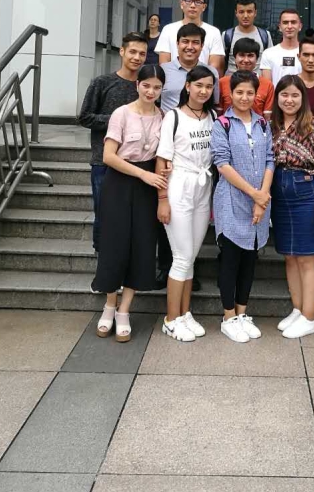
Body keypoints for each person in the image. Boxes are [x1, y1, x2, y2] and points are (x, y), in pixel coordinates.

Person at [92, 65, 167, 342]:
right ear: (137, 85)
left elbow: (163, 155)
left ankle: (125, 310)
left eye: (157, 87)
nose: (151, 91)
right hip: (120, 181)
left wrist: (158, 174)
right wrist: (143, 174)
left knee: (142, 245)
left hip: (149, 186)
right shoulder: (121, 113)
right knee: (115, 243)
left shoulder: (164, 117)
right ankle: (109, 305)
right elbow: (109, 156)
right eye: (146, 85)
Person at [270, 75, 314, 339]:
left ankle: (310, 317)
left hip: (307, 190)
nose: (289, 100)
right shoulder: (272, 125)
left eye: (295, 95)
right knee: (289, 255)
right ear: (277, 97)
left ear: (303, 98)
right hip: (279, 190)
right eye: (284, 95)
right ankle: (298, 309)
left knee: (308, 257)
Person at [211, 71, 275, 343]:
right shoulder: (222, 124)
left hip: (260, 201)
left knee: (250, 259)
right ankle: (228, 317)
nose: (245, 97)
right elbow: (222, 163)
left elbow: (270, 159)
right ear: (230, 94)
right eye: (239, 92)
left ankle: (242, 313)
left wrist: (263, 196)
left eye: (250, 92)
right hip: (231, 200)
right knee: (231, 259)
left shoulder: (263, 124)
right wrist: (254, 195)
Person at [156, 65, 217, 342]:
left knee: (190, 256)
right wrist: (162, 200)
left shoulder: (213, 116)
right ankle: (171, 319)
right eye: (199, 85)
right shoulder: (173, 117)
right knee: (180, 257)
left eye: (209, 86)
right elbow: (162, 160)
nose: (204, 91)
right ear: (187, 86)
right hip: (179, 186)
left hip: (203, 189)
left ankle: (184, 313)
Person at [78, 32, 147, 251]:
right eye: (133, 52)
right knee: (104, 214)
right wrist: (118, 120)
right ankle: (102, 258)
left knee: (130, 218)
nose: (137, 57)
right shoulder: (102, 83)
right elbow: (85, 117)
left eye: (142, 54)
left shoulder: (145, 86)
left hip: (136, 163)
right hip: (104, 161)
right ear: (122, 51)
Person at [155, 0, 225, 75]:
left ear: (204, 7)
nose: (192, 5)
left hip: (202, 80)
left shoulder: (214, 32)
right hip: (173, 80)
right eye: (188, 1)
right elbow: (164, 64)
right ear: (181, 4)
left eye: (198, 2)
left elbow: (214, 66)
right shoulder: (168, 29)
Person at [160, 23, 220, 113]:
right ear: (177, 44)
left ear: (202, 46)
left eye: (195, 42)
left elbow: (215, 104)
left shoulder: (211, 72)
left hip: (201, 121)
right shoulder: (163, 70)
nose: (190, 47)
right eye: (185, 41)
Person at [218, 38, 274, 118]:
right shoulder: (222, 82)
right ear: (235, 58)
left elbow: (267, 117)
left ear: (257, 59)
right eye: (242, 55)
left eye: (250, 56)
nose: (246, 60)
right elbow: (218, 113)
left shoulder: (267, 85)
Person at [223, 0, 273, 75]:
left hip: (257, 80)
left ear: (255, 13)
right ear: (236, 13)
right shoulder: (227, 35)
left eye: (249, 12)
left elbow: (270, 62)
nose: (245, 16)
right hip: (232, 80)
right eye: (241, 12)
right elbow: (221, 63)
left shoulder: (265, 35)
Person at [260, 9, 303, 86]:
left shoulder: (307, 53)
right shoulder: (268, 53)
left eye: (293, 22)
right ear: (280, 27)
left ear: (300, 26)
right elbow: (267, 87)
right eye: (285, 23)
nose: (289, 26)